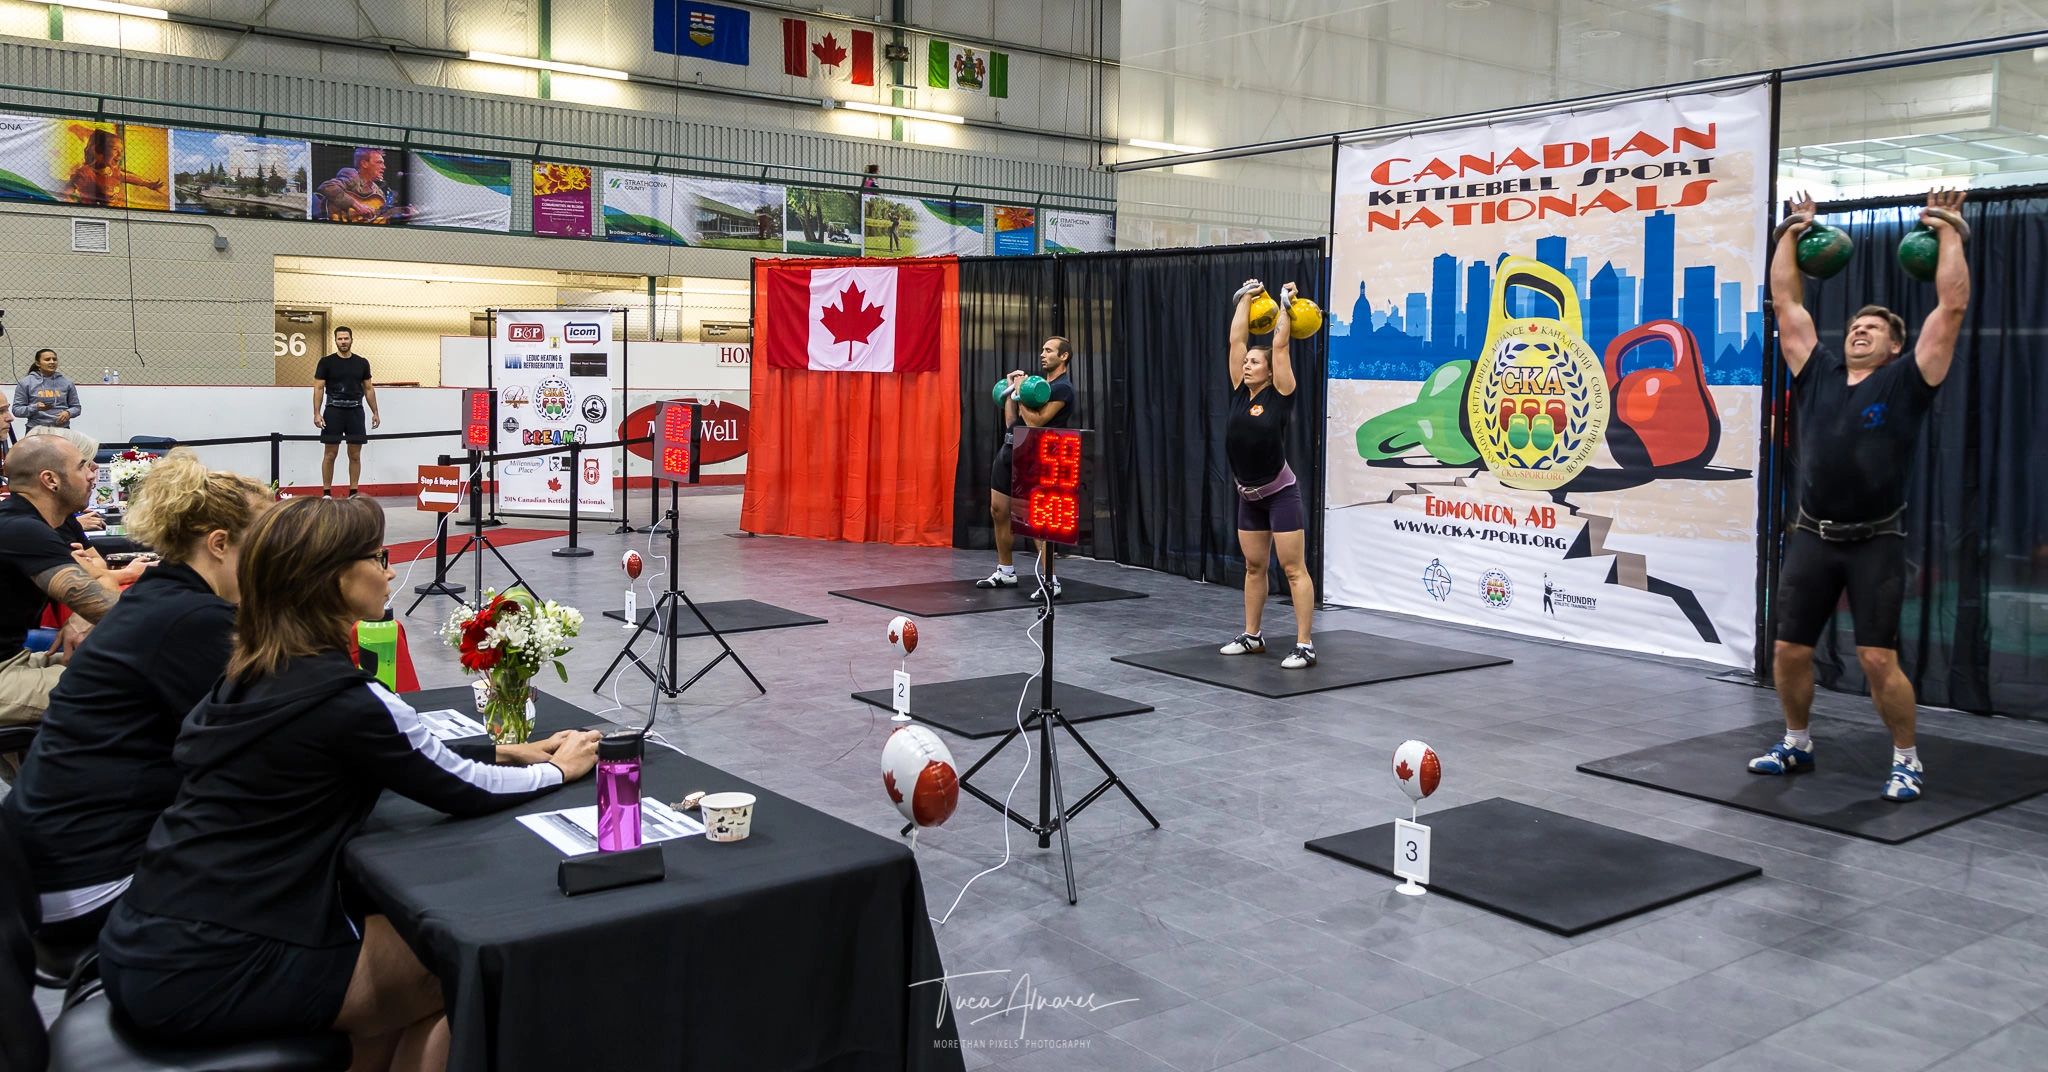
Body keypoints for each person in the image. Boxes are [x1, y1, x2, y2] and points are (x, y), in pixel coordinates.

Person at [95, 495, 601, 1069]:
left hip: (148, 940)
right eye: (377, 557)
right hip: (221, 963)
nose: (389, 571)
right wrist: (557, 769)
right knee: (468, 969)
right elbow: (467, 790)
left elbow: (368, 752)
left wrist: (501, 750)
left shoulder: (250, 674)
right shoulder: (343, 697)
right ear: (336, 581)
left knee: (401, 983)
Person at [1748, 188, 1970, 802]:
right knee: (1789, 651)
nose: (1860, 331)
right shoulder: (1815, 371)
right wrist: (1792, 232)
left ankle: (1906, 760)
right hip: (1813, 537)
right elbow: (1786, 300)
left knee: (1877, 660)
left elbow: (1949, 308)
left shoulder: (1908, 381)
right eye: (1854, 326)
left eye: (1873, 328)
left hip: (1876, 540)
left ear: (1895, 344)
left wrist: (1947, 226)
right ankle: (1797, 743)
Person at [0, 451, 270, 950]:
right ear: (218, 544)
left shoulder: (165, 599)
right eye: (263, 545)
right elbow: (264, 749)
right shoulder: (192, 621)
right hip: (89, 887)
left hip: (46, 872)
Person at [1218, 280, 1316, 669]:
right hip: (1248, 497)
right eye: (1247, 363)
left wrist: (1284, 305)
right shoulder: (1240, 391)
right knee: (1254, 567)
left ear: (1269, 370)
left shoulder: (1282, 393)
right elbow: (1235, 341)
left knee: (1293, 569)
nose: (1247, 365)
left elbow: (1279, 346)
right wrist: (1243, 298)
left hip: (1280, 495)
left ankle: (1305, 644)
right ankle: (1252, 636)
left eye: (1254, 363)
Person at [0, 436, 122, 744]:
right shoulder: (23, 530)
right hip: (4, 673)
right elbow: (107, 607)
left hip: (14, 660)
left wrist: (81, 618)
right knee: (128, 685)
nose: (92, 473)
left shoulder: (28, 522)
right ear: (51, 480)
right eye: (82, 466)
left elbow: (95, 586)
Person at [977, 337, 1077, 600]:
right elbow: (1013, 420)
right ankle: (1006, 571)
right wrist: (1010, 391)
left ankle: (1050, 581)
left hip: (1035, 455)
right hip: (1010, 449)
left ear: (1064, 356)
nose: (1042, 354)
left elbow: (1035, 422)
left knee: (1035, 521)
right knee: (998, 511)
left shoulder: (1063, 389)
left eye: (1049, 350)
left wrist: (1021, 391)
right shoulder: (1040, 386)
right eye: (1042, 349)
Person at [314, 326, 380, 498]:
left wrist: (375, 412)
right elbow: (319, 388)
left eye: (346, 338)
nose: (343, 341)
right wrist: (317, 413)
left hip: (355, 412)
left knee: (355, 454)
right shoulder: (326, 362)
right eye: (340, 339)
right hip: (333, 411)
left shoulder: (362, 362)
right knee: (330, 453)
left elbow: (368, 388)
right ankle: (327, 493)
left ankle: (353, 492)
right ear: (335, 340)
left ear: (351, 339)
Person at [64, 128, 164, 208]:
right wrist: (69, 202)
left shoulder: (112, 171)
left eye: (121, 150)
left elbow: (127, 177)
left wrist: (148, 184)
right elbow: (66, 191)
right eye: (115, 149)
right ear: (98, 150)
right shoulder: (86, 173)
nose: (120, 154)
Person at [316, 147, 409, 223]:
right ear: (364, 163)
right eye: (379, 162)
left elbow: (378, 217)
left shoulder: (378, 192)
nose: (384, 167)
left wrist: (401, 212)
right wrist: (357, 206)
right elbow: (327, 187)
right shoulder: (352, 175)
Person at [11, 349, 80, 431]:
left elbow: (76, 407)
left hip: (62, 429)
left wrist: (68, 413)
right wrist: (35, 407)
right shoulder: (25, 383)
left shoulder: (67, 383)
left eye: (54, 359)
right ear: (37, 363)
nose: (52, 362)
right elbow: (17, 410)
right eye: (47, 359)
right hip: (35, 429)